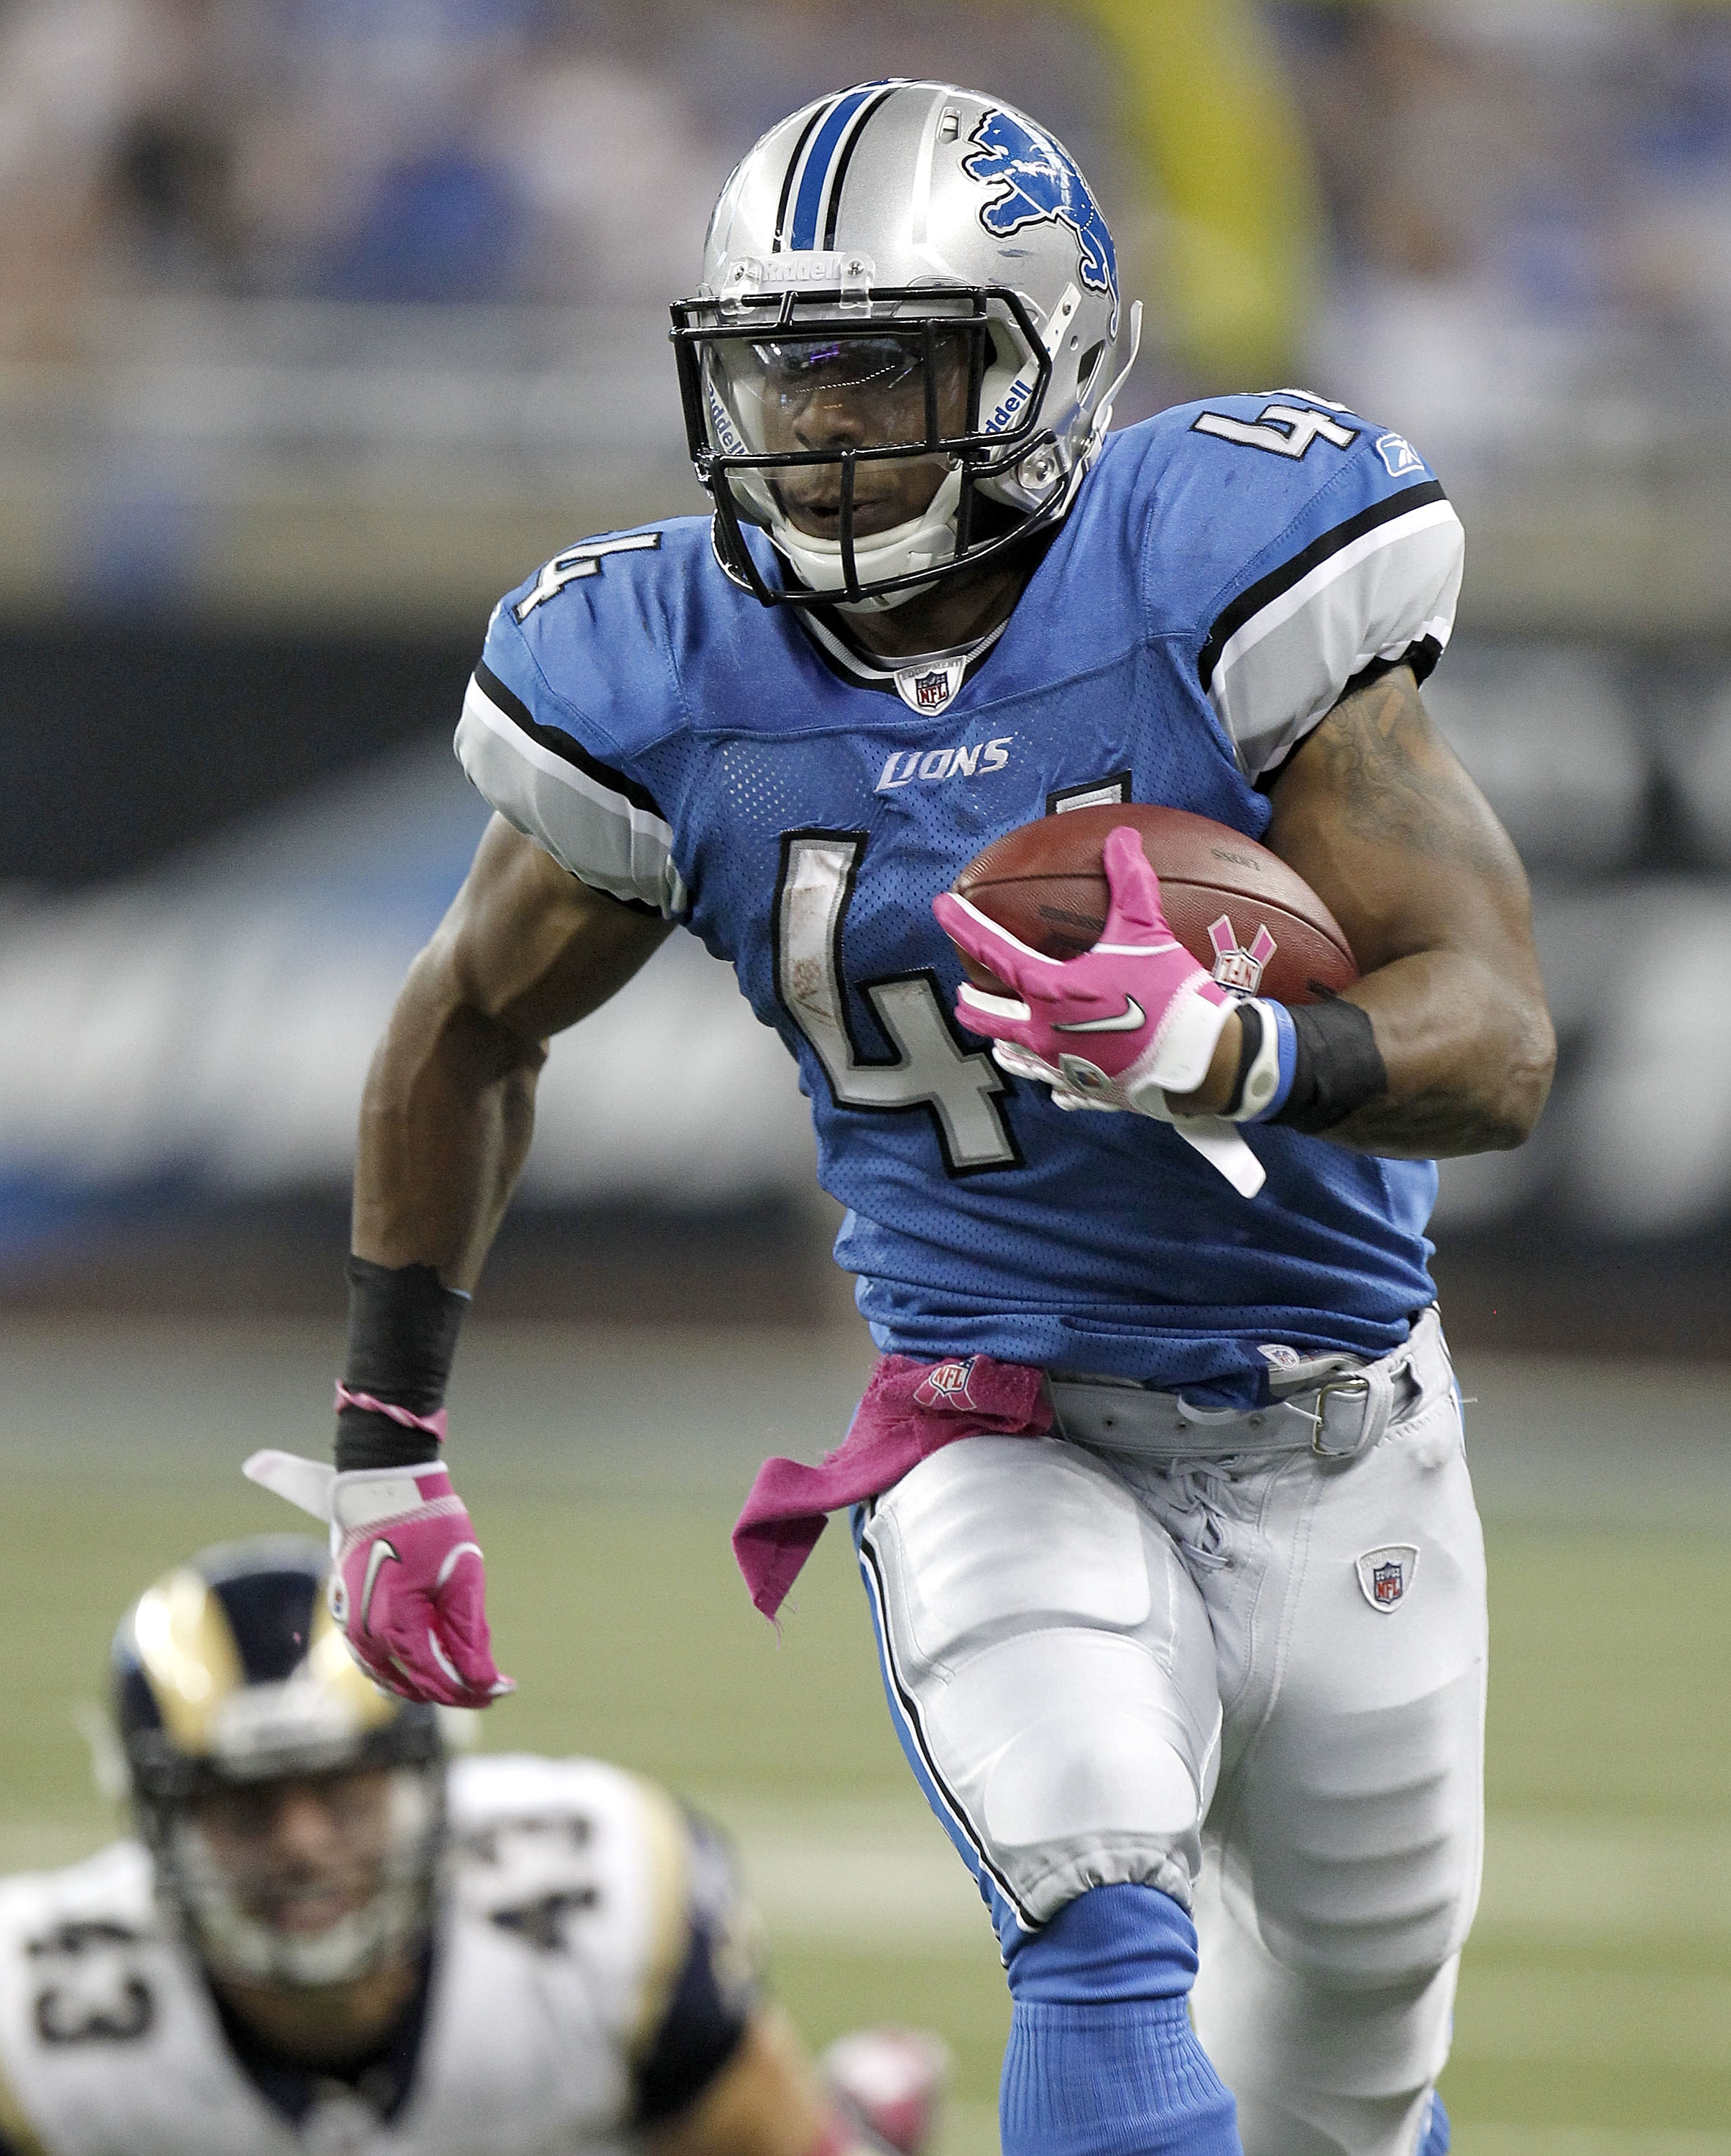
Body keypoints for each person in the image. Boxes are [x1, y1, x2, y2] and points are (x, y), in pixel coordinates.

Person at [245, 79, 1555, 2156]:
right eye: (783, 376)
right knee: (1093, 1917)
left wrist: (1247, 1058)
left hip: (1347, 1437)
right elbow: (462, 1028)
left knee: (1351, 2083)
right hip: (995, 1431)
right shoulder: (661, 667)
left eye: (888, 371)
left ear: (1048, 361)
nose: (825, 430)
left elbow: (1496, 1034)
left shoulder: (1211, 573)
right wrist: (385, 1452)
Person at [0, 1537, 946, 2156]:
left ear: (428, 1781)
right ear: (156, 1822)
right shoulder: (37, 2012)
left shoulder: (601, 1894)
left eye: (341, 1791)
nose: (300, 1843)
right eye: (242, 1807)